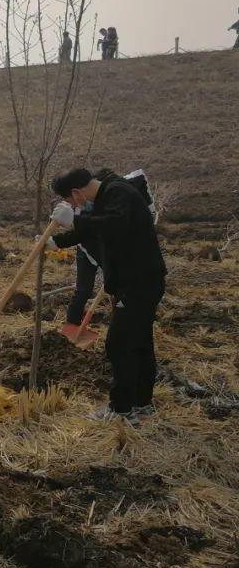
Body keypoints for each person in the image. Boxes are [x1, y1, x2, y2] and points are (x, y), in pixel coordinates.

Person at [48, 167, 166, 424]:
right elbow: (95, 229)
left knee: (119, 344)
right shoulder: (108, 195)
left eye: (71, 201)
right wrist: (58, 241)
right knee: (139, 342)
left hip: (138, 282)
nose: (75, 205)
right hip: (139, 280)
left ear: (77, 192)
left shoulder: (118, 193)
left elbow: (113, 225)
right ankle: (141, 404)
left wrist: (75, 220)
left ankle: (121, 409)